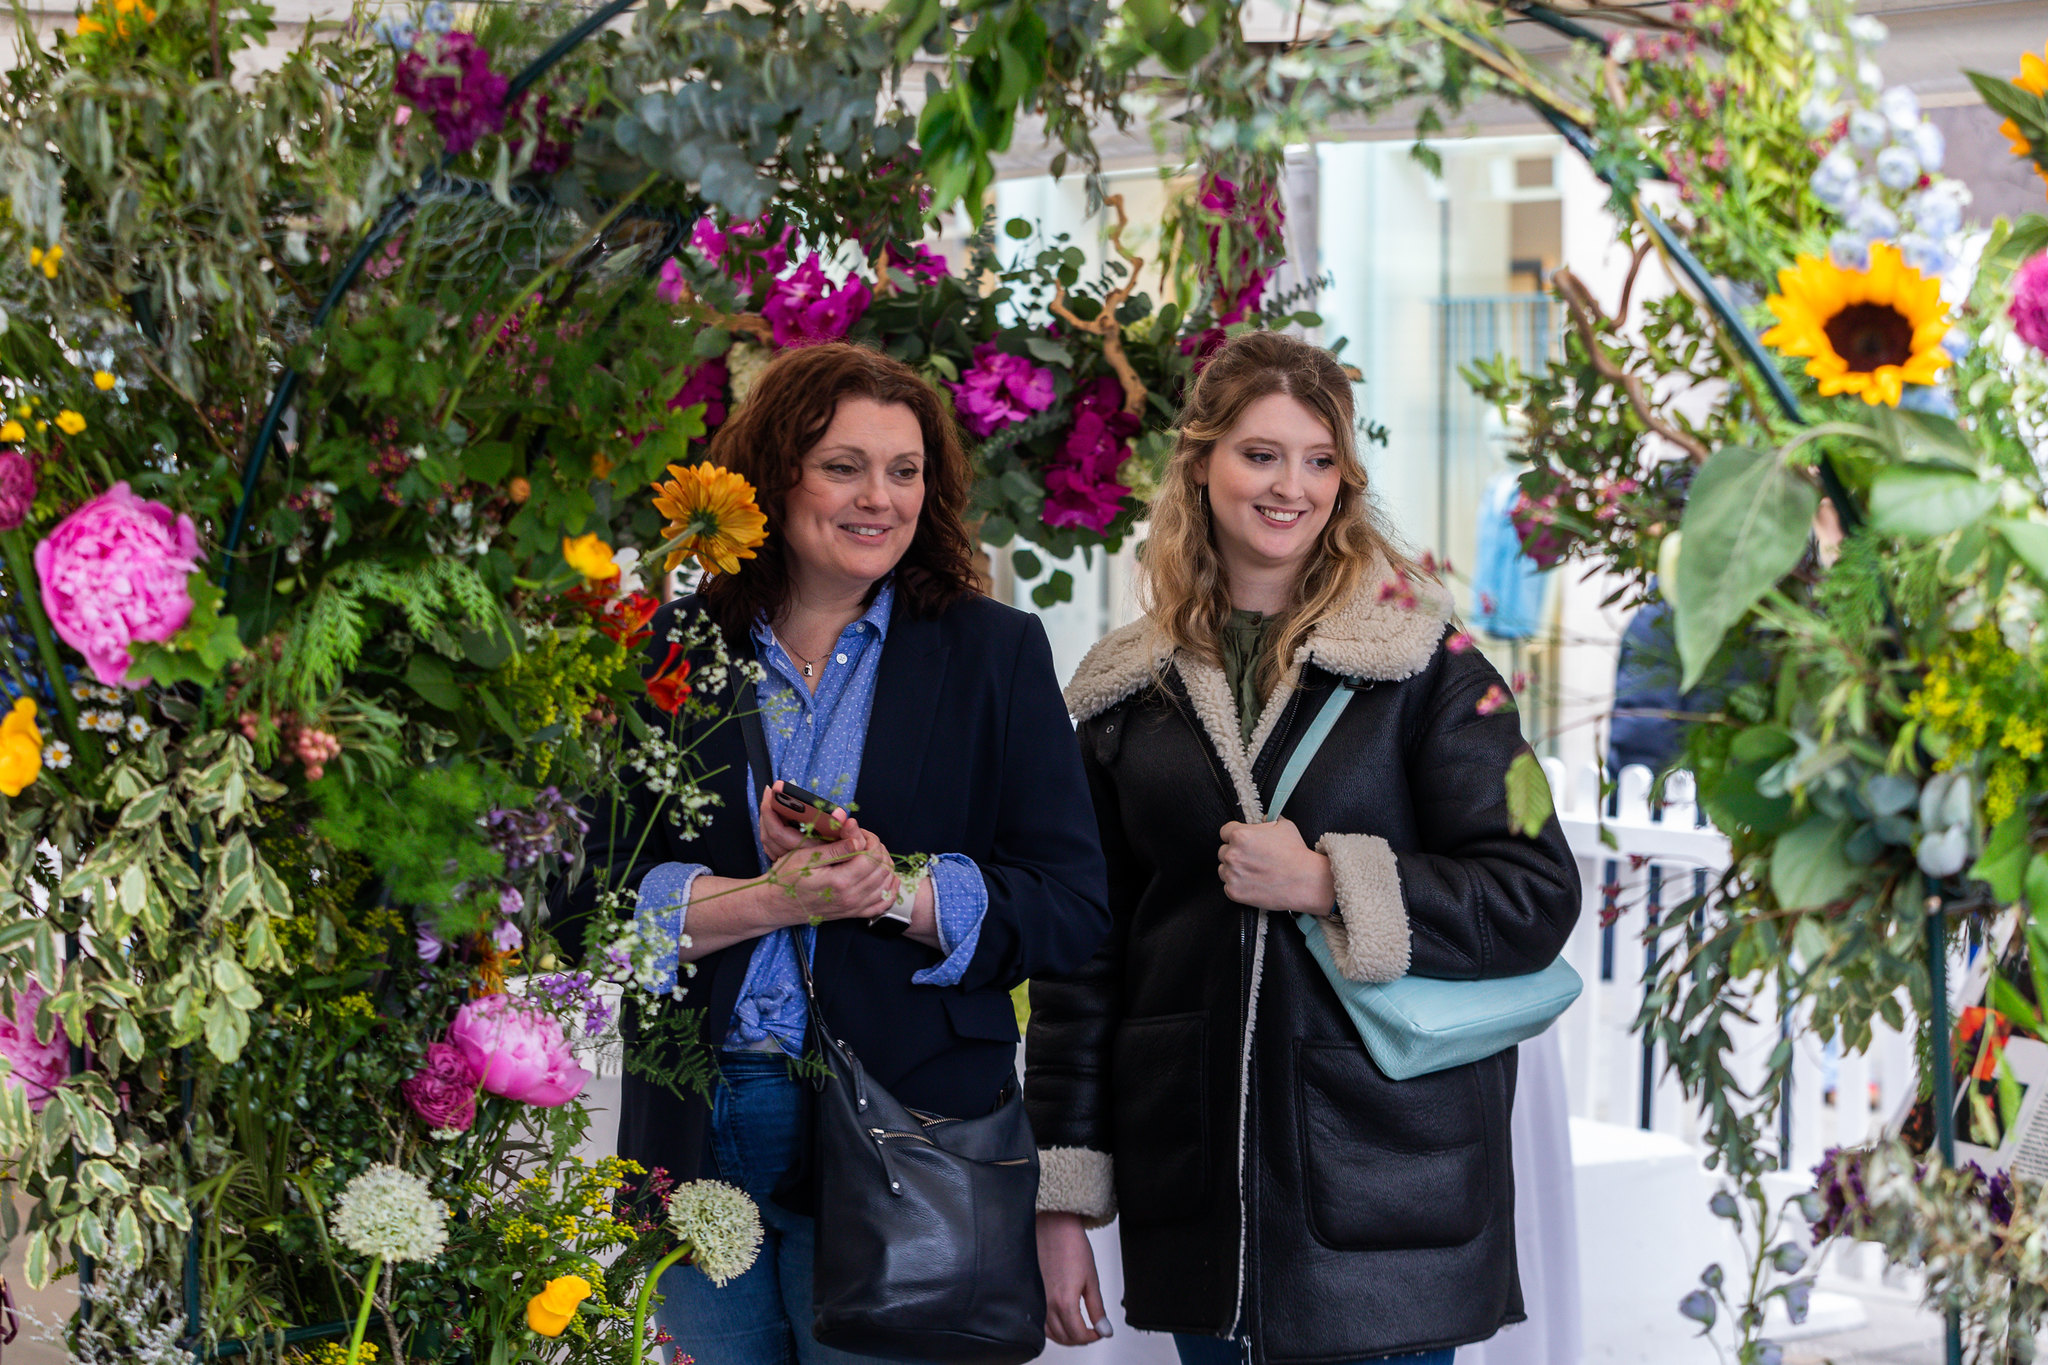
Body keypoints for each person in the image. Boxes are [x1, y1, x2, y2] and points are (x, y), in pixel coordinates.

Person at [1026, 331, 1582, 1365]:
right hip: (1202, 1196)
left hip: (1388, 1191)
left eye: (1319, 461)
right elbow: (1081, 965)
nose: (1291, 487)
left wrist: (1331, 882)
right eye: (1261, 454)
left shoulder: (1426, 659)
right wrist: (1062, 1193)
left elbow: (1533, 892)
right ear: (1199, 462)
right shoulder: (1120, 694)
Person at [581, 342, 1111, 1364]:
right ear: (775, 474)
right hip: (699, 1124)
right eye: (843, 466)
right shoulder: (672, 646)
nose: (879, 497)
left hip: (912, 1127)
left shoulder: (993, 652)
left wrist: (896, 891)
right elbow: (582, 893)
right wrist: (769, 899)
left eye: (904, 471)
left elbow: (1069, 902)